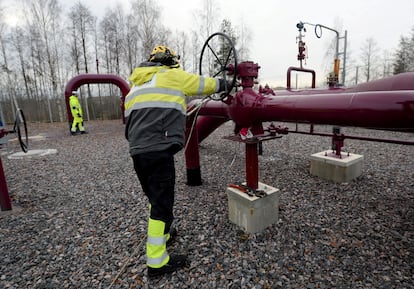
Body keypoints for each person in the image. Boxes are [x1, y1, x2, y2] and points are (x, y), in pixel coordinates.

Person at [124, 45, 229, 277]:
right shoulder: (170, 75)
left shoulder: (136, 86)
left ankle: (165, 233)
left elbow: (128, 122)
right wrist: (226, 83)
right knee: (162, 205)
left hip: (137, 152)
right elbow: (204, 84)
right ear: (170, 61)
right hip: (159, 150)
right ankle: (157, 261)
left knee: (155, 197)